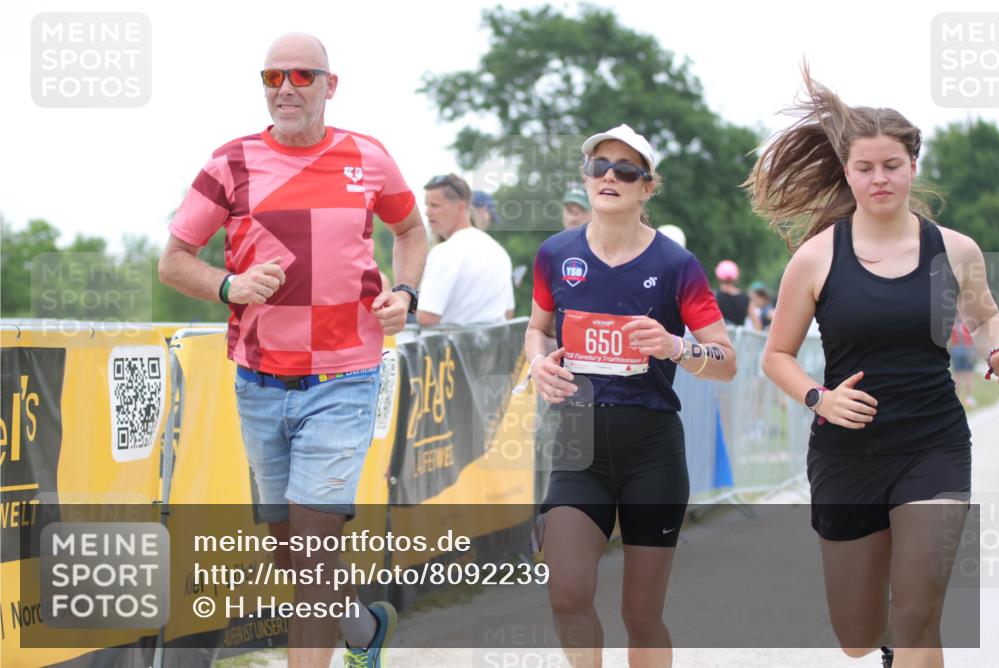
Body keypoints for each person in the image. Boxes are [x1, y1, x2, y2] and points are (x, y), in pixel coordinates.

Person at [158, 32, 428, 668]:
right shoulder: (231, 163)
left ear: (330, 86)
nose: (286, 88)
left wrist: (408, 293)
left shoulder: (369, 156)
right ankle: (365, 630)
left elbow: (411, 229)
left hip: (345, 378)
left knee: (309, 551)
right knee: (291, 551)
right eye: (273, 76)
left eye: (302, 76)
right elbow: (173, 262)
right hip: (260, 381)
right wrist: (230, 284)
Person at [750, 67, 999, 668]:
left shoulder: (955, 251)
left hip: (932, 442)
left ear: (913, 165)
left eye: (892, 164)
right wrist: (821, 399)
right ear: (847, 172)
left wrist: (994, 347)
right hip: (848, 452)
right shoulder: (816, 258)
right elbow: (775, 356)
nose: (880, 177)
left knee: (918, 616)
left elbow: (987, 316)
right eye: (865, 167)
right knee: (858, 636)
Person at [525, 124, 737, 667]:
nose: (610, 177)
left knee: (641, 617)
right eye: (600, 167)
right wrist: (537, 362)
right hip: (579, 446)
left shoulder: (675, 265)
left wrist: (673, 346)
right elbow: (537, 329)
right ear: (586, 178)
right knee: (567, 596)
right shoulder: (555, 254)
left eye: (626, 170)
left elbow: (726, 361)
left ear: (648, 188)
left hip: (652, 451)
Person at [417, 173, 515, 326]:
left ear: (461, 206)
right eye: (426, 205)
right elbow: (508, 313)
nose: (427, 212)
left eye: (434, 205)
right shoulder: (498, 251)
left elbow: (427, 318)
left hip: (452, 348)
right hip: (496, 347)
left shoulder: (444, 252)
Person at [713, 259, 753, 327]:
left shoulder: (714, 298)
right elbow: (757, 325)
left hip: (720, 336)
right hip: (740, 337)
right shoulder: (745, 299)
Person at [949, 316, 977, 407]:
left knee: (957, 375)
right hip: (968, 348)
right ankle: (969, 398)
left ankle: (957, 399)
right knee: (969, 375)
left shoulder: (952, 321)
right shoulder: (969, 321)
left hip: (957, 348)